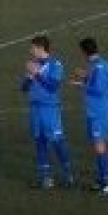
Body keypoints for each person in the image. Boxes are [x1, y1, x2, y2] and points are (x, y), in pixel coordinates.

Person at [21, 35, 72, 190]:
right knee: (39, 141)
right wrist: (29, 77)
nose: (30, 51)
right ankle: (46, 178)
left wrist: (36, 74)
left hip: (49, 109)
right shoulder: (32, 64)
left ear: (40, 48)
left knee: (57, 141)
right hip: (35, 108)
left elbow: (53, 87)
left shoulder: (55, 64)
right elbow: (24, 88)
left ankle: (68, 174)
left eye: (32, 48)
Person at [72, 37, 108, 195]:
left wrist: (81, 83)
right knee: (98, 146)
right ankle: (101, 179)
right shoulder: (97, 65)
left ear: (84, 51)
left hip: (99, 112)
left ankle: (107, 182)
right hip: (95, 111)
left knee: (100, 145)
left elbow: (99, 89)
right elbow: (96, 82)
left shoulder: (100, 66)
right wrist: (85, 76)